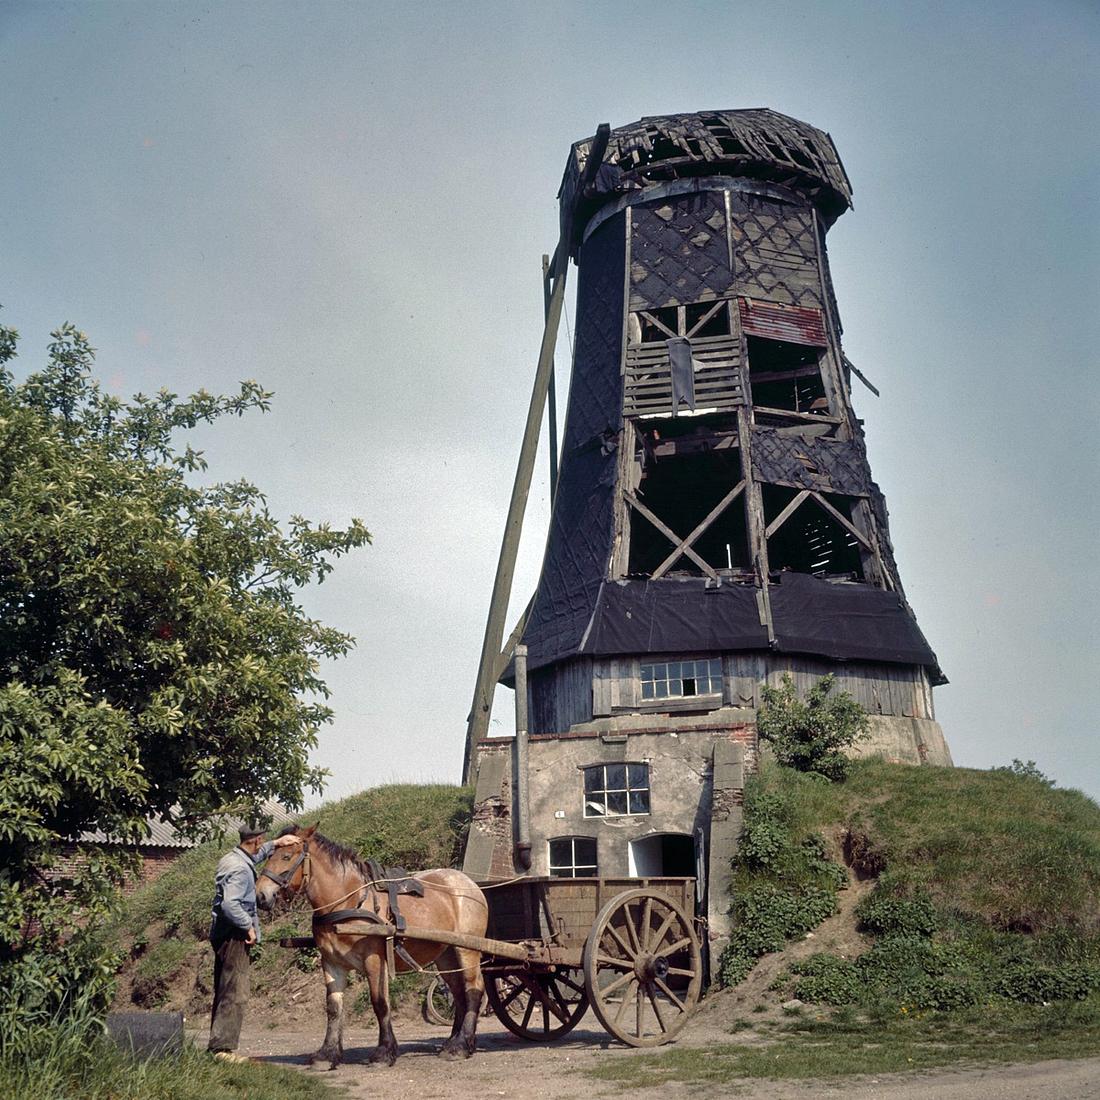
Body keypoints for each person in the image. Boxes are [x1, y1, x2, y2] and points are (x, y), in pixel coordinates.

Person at [207, 823, 298, 1061]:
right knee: (235, 991)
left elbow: (255, 855)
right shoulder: (239, 869)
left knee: (225, 987)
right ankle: (222, 1050)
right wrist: (247, 926)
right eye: (263, 840)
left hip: (224, 933)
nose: (263, 844)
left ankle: (218, 1046)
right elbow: (230, 904)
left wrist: (277, 844)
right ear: (256, 840)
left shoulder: (234, 858)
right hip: (234, 934)